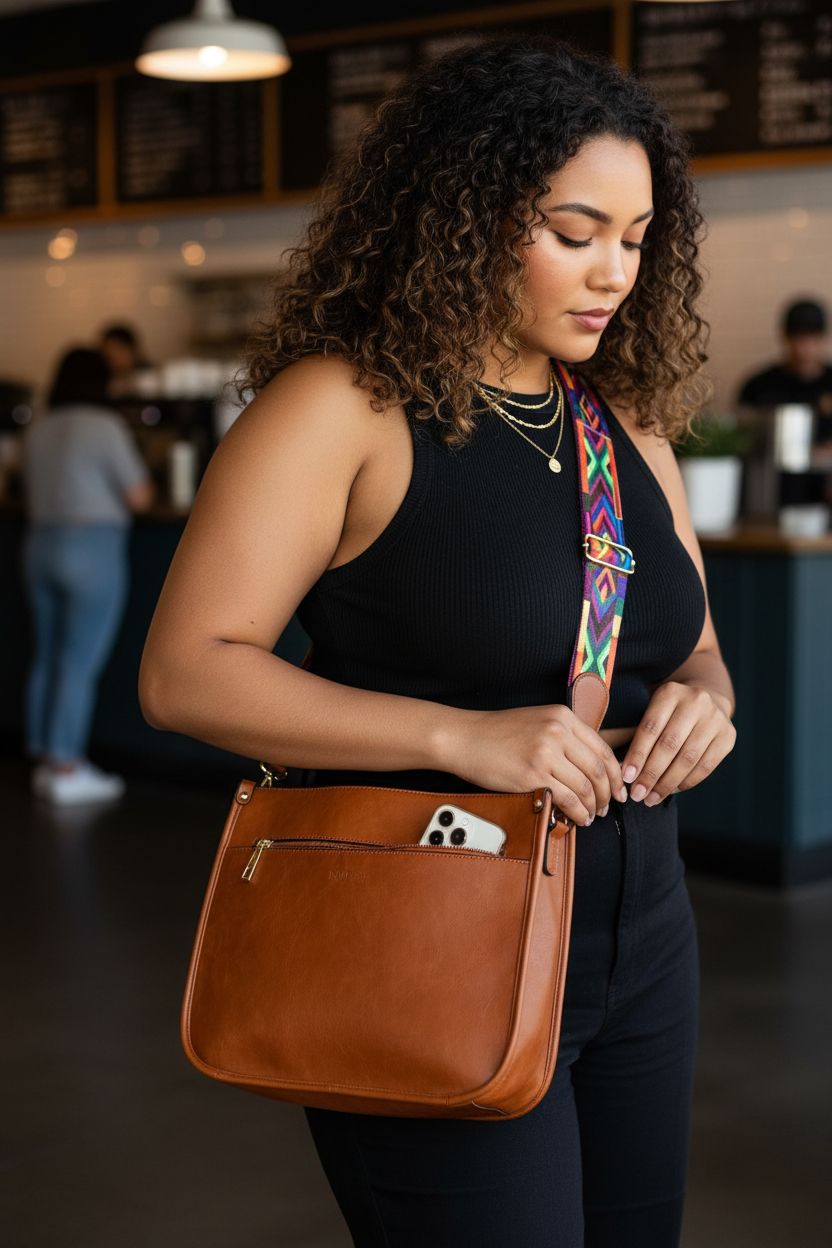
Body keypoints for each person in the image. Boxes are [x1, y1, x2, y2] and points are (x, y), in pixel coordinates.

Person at [138, 35, 736, 1248]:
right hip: (424, 928)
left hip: (638, 931)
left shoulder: (621, 418)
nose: (612, 272)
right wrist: (460, 737)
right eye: (575, 232)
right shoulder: (339, 408)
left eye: (634, 239)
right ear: (464, 210)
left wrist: (705, 700)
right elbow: (185, 669)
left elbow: (694, 644)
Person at [21, 347, 154, 804]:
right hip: (91, 547)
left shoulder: (40, 427)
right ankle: (67, 768)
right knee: (79, 661)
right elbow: (139, 497)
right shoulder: (105, 426)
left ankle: (44, 758)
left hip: (38, 544)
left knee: (47, 654)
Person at [736, 298, 832, 506]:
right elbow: (740, 440)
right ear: (785, 338)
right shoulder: (759, 386)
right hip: (768, 497)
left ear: (823, 339)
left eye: (811, 338)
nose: (804, 347)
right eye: (798, 338)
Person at [97, 323, 151, 398]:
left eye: (118, 349)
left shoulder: (148, 378)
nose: (113, 359)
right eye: (107, 355)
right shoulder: (101, 381)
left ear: (132, 350)